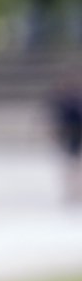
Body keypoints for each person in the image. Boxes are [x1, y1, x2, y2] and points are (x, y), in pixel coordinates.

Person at [47, 72, 82, 203]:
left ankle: (76, 188)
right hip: (69, 135)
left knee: (74, 163)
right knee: (70, 163)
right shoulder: (63, 101)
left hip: (76, 134)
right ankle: (72, 188)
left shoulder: (77, 100)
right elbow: (57, 119)